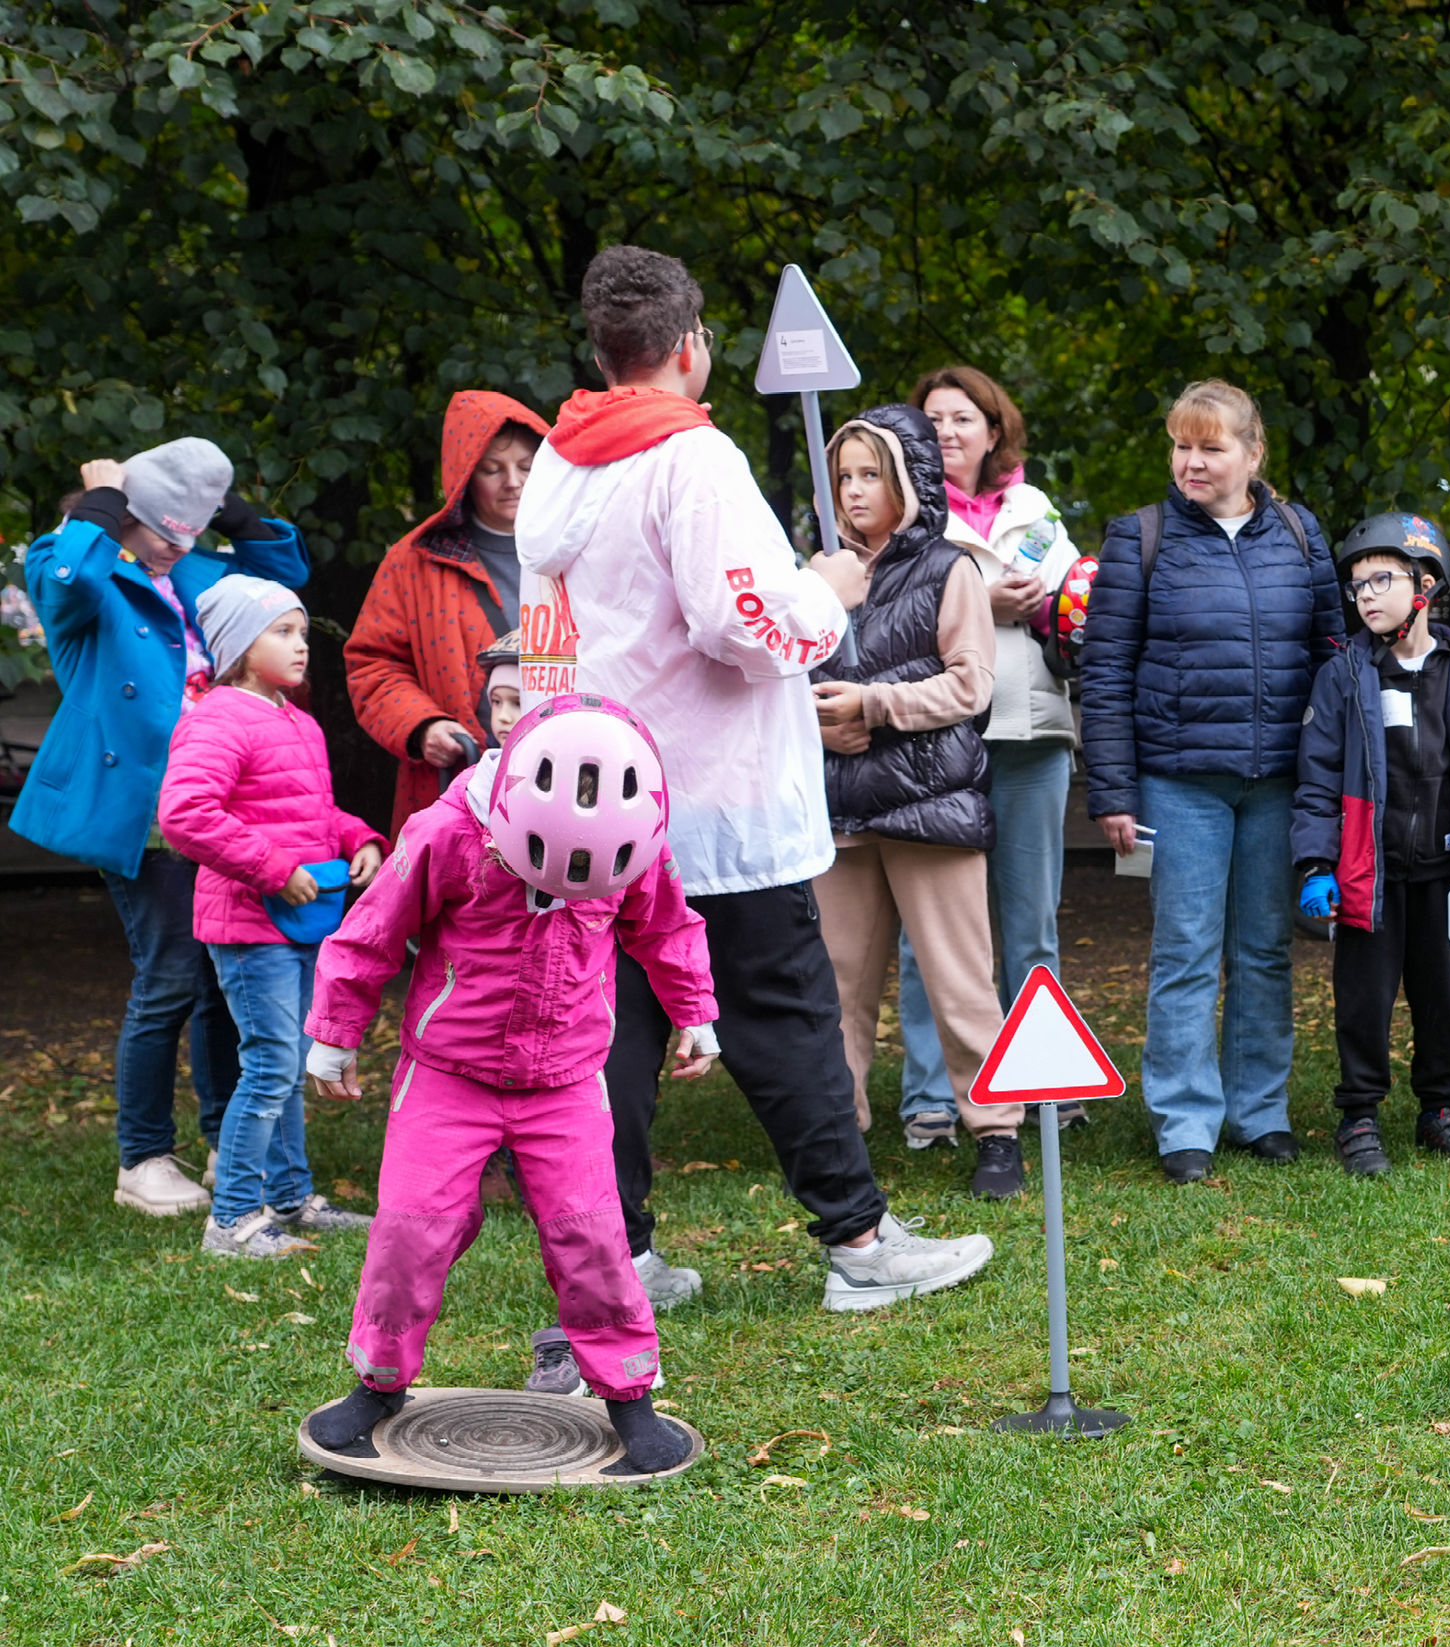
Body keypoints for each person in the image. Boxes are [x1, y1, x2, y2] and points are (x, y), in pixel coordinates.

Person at [516, 244, 991, 1312]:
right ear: (690, 346)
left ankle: (616, 1257)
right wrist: (824, 592)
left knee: (616, 1031)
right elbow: (741, 622)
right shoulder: (693, 457)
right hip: (715, 799)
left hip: (596, 801)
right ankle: (859, 1240)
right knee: (783, 1012)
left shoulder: (558, 463)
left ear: (602, 349)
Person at [299, 695, 720, 1472]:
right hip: (448, 1074)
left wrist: (694, 1010)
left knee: (593, 1235)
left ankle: (629, 1395)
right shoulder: (446, 833)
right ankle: (379, 1383)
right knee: (412, 1227)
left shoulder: (636, 839)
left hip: (566, 1080)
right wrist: (335, 1031)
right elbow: (373, 930)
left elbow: (666, 927)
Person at [14, 439, 309, 1218]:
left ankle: (224, 1142)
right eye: (160, 529)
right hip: (145, 815)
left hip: (220, 808)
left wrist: (223, 506)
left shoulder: (198, 569)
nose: (177, 544)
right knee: (169, 976)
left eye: (191, 530)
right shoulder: (78, 568)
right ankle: (142, 1158)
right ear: (122, 516)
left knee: (218, 979)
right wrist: (103, 502)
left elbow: (282, 581)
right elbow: (68, 581)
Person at [1078, 379, 1339, 1182]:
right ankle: (1185, 1121)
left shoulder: (1298, 534)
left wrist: (1333, 781)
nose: (1191, 461)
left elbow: (1332, 657)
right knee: (1186, 952)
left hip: (1278, 782)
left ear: (1253, 454)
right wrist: (1113, 791)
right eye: (1181, 445)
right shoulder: (1140, 537)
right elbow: (1105, 670)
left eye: (1210, 447)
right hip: (1178, 782)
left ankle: (1260, 1111)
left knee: (1264, 952)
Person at [803, 406, 1021, 1201]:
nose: (855, 491)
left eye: (872, 475)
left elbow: (971, 685)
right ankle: (839, 1137)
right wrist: (819, 722)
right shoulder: (813, 578)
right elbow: (782, 680)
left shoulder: (950, 568)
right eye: (844, 476)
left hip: (931, 807)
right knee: (834, 985)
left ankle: (996, 1134)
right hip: (842, 811)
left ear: (911, 482)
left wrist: (873, 703)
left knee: (960, 983)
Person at [154, 577, 384, 1257]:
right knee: (271, 1065)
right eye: (281, 632)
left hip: (302, 922)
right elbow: (185, 814)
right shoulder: (219, 718)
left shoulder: (297, 721)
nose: (300, 645)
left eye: (302, 632)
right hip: (250, 925)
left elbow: (312, 812)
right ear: (237, 646)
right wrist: (275, 870)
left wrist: (359, 838)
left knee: (287, 1062)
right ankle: (230, 1220)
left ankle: (288, 1198)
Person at [892, 364, 1082, 1156]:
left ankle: (1043, 1082)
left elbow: (1074, 597)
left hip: (1031, 733)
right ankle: (933, 1097)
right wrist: (978, 600)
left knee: (1030, 923)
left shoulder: (1034, 509)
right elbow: (882, 612)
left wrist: (1054, 605)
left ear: (993, 430)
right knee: (928, 933)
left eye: (962, 418)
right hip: (935, 743)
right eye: (932, 419)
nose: (947, 431)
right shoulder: (900, 510)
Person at [1291, 511, 1450, 1176]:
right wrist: (1316, 862)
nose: (1365, 596)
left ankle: (1439, 1108)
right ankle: (1359, 1113)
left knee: (1439, 995)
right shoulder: (1344, 675)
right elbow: (1317, 779)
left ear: (1425, 585)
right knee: (1364, 998)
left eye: (1380, 581)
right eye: (1356, 585)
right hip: (1371, 872)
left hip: (1448, 873)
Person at [345, 391, 551, 833]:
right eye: (492, 469)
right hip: (459, 790)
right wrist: (423, 725)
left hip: (569, 779)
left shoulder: (581, 547)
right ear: (465, 476)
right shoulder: (414, 561)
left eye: (527, 466)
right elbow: (372, 664)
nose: (513, 482)